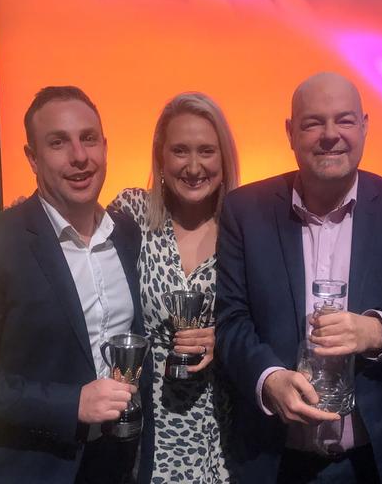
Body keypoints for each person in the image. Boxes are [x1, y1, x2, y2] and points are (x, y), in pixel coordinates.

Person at [214, 72, 382, 484]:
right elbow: (230, 320)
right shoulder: (244, 210)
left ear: (364, 126)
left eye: (344, 120)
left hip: (378, 461)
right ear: (291, 132)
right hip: (273, 458)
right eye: (313, 123)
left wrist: (376, 331)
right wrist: (268, 379)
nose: (330, 135)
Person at [0, 86, 152, 483]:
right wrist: (71, 404)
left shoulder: (127, 233)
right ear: (32, 157)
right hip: (35, 468)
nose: (80, 157)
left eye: (89, 139)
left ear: (105, 147)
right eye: (58, 142)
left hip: (118, 463)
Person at [111, 92, 240, 483]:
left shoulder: (246, 225)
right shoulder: (132, 213)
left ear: (224, 158)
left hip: (223, 431)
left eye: (207, 151)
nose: (194, 166)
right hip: (144, 433)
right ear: (161, 157)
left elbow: (267, 322)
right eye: (181, 150)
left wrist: (225, 340)